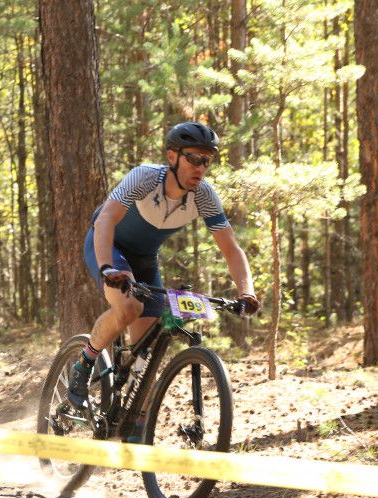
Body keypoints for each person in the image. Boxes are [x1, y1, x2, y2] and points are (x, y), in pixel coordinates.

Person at [68, 121, 261, 436]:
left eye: (207, 161)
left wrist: (246, 292)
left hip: (144, 261)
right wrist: (107, 268)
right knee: (128, 308)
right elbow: (105, 220)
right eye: (193, 158)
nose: (200, 167)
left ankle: (134, 430)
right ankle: (85, 361)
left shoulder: (204, 196)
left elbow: (231, 249)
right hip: (110, 247)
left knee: (148, 356)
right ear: (173, 156)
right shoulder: (145, 178)